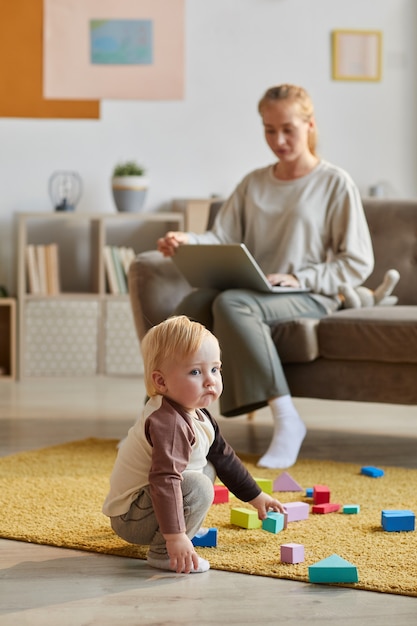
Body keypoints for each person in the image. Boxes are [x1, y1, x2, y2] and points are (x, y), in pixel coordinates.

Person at [157, 83, 374, 470]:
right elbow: (222, 237)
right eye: (269, 130)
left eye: (288, 129)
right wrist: (187, 239)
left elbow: (356, 262)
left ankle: (288, 420)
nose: (279, 140)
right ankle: (164, 420)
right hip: (258, 291)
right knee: (191, 307)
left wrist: (300, 276)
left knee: (231, 303)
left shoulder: (334, 182)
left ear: (309, 124)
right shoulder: (253, 183)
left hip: (312, 292)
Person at [103, 315, 284, 575]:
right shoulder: (169, 423)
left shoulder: (195, 412)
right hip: (131, 518)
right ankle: (165, 552)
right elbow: (165, 479)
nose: (210, 380)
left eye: (215, 369)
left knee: (210, 465)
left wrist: (256, 496)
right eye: (195, 372)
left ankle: (179, 527)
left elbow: (225, 457)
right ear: (161, 382)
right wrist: (175, 536)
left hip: (148, 503)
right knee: (198, 485)